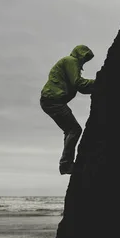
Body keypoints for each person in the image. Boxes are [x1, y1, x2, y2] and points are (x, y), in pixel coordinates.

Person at [40, 45, 96, 175]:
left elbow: (81, 88)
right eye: (85, 57)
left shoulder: (70, 63)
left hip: (51, 101)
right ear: (80, 54)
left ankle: (66, 164)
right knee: (74, 129)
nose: (85, 61)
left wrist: (97, 87)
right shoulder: (71, 61)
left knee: (69, 130)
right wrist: (100, 81)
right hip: (53, 101)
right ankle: (65, 165)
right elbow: (78, 83)